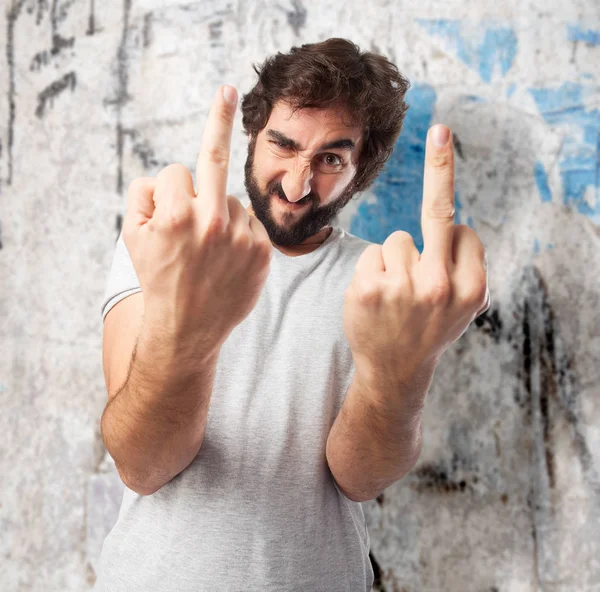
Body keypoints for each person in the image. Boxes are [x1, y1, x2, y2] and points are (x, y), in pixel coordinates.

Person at [95, 38, 411, 591]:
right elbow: (142, 464)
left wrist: (413, 363)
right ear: (251, 135)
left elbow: (361, 478)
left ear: (361, 171)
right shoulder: (166, 239)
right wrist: (189, 330)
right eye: (283, 146)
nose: (296, 184)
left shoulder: (379, 280)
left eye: (331, 159)